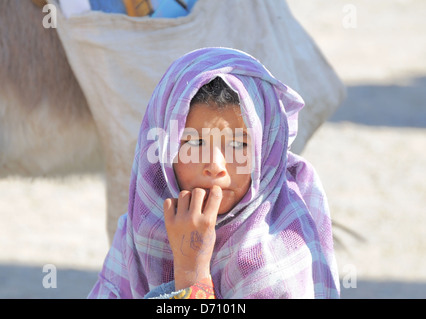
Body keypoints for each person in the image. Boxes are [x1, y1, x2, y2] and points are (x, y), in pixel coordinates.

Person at [88, 47, 340, 299]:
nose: (215, 166)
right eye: (194, 143)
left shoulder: (280, 253)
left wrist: (192, 271)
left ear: (266, 152)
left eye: (239, 145)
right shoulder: (140, 230)